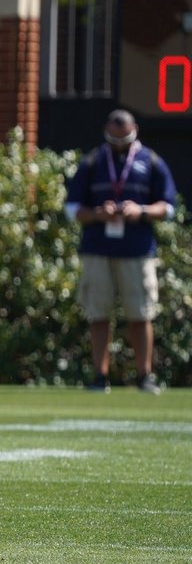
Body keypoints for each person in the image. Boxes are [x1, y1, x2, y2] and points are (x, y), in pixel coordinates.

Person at [64, 109, 176, 394]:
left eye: (123, 137)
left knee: (140, 314)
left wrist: (140, 211)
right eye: (114, 138)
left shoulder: (150, 161)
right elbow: (72, 208)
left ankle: (145, 376)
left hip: (136, 251)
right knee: (98, 314)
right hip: (98, 249)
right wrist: (98, 214)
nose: (119, 144)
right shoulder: (93, 161)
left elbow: (168, 206)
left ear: (134, 129)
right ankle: (100, 377)